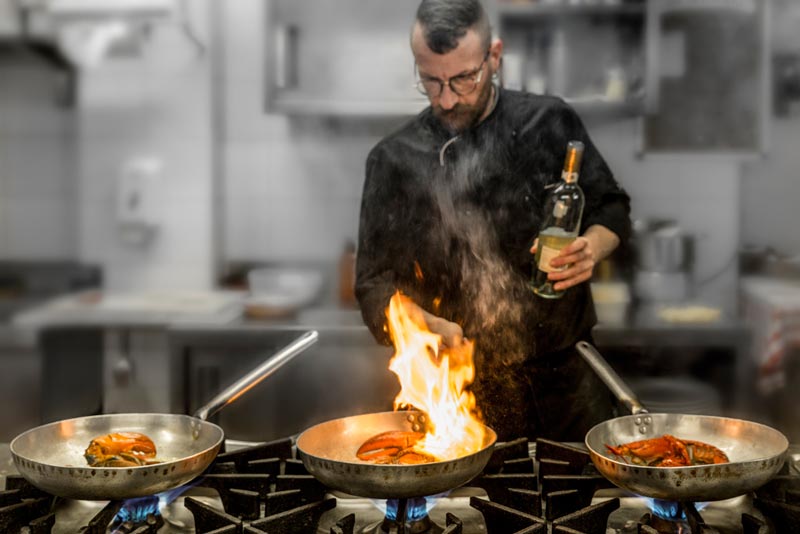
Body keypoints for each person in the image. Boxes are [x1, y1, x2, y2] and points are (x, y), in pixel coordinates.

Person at [355, 0, 631, 442]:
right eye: (430, 80)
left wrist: (592, 247)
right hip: (460, 391)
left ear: (494, 57)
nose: (447, 99)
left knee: (590, 506)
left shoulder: (550, 122)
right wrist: (426, 325)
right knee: (467, 512)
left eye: (464, 78)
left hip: (566, 384)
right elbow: (373, 286)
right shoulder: (393, 160)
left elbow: (611, 205)